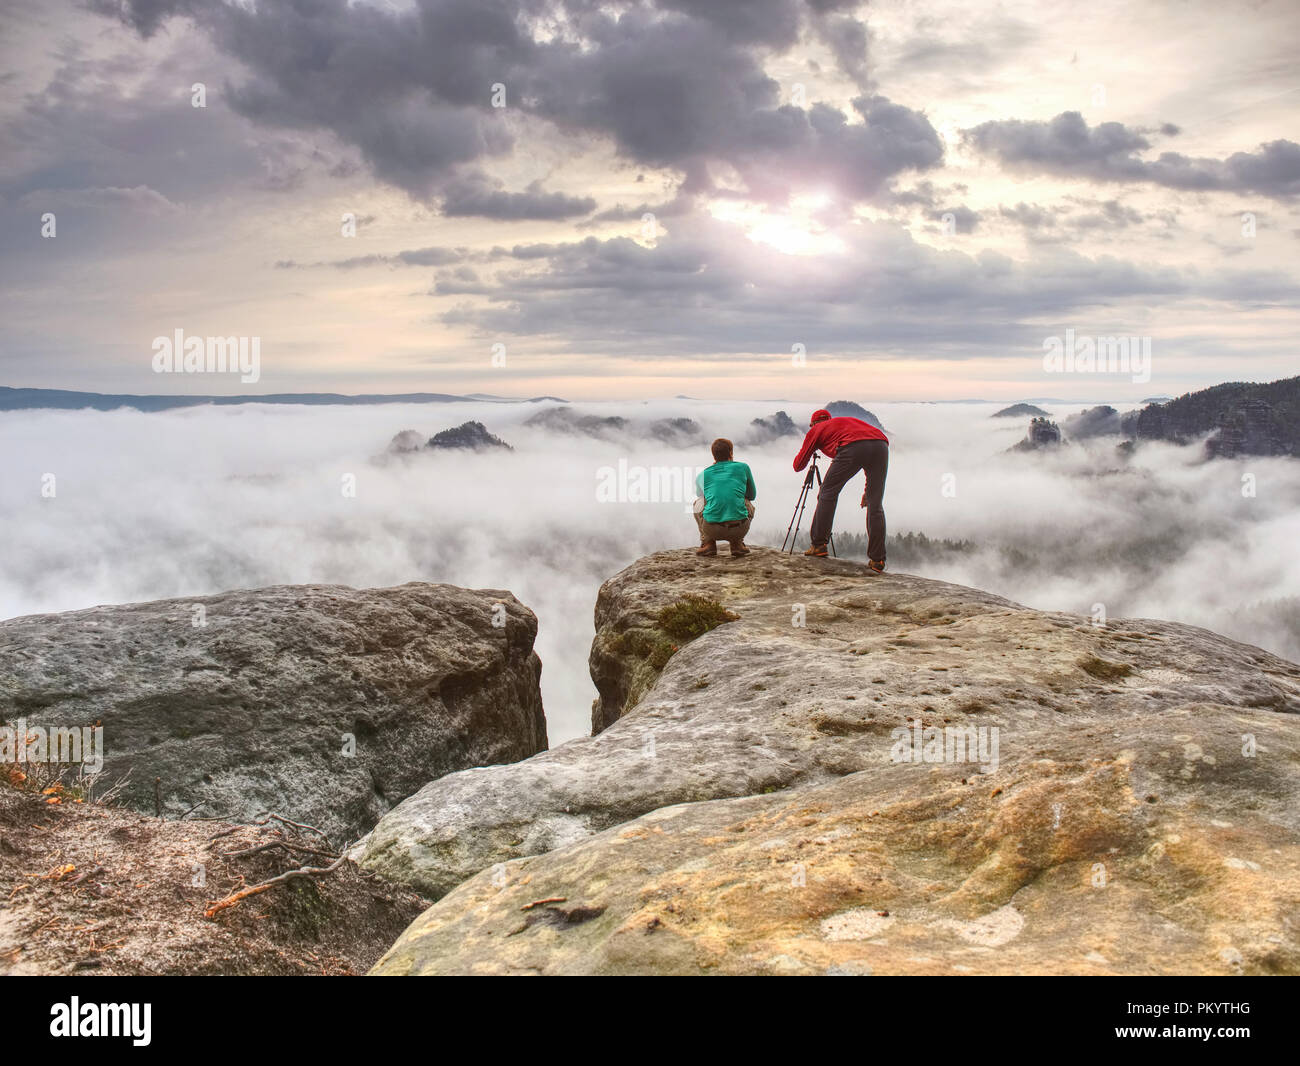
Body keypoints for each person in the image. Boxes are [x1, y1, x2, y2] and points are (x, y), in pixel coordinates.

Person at [792, 409, 889, 572]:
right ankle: (877, 560)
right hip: (881, 444)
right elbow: (866, 446)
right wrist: (867, 491)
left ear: (814, 424)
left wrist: (811, 445)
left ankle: (819, 544)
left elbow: (798, 465)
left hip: (851, 447)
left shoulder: (817, 429)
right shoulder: (843, 423)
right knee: (875, 504)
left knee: (827, 493)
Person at [694, 437, 756, 557]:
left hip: (712, 529)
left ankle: (708, 544)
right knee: (747, 502)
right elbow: (752, 495)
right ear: (731, 453)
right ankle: (737, 544)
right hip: (740, 528)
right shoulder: (743, 468)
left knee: (698, 503)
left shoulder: (703, 475)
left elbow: (700, 496)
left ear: (714, 456)